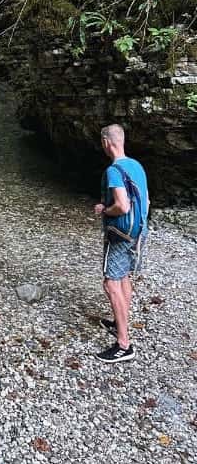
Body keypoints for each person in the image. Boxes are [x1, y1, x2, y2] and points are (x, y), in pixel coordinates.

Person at [93, 124, 149, 363]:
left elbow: (123, 206)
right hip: (138, 233)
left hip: (119, 234)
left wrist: (105, 209)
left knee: (110, 283)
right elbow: (145, 201)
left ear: (107, 142)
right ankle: (119, 321)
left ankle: (124, 344)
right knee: (124, 275)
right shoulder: (137, 166)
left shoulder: (114, 170)